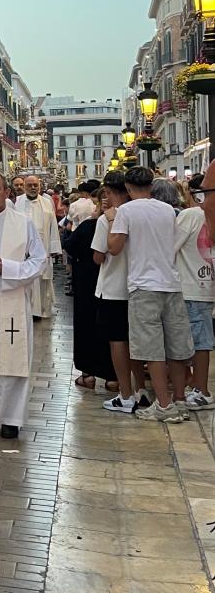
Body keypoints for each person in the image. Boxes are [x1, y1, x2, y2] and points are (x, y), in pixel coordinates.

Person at [106, 166, 192, 424]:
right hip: (171, 284)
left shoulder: (126, 211)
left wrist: (112, 220)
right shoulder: (167, 210)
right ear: (151, 186)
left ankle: (163, 406)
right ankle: (178, 400)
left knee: (152, 348)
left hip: (144, 286)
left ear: (129, 189)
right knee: (175, 346)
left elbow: (114, 248)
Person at [0, 172, 47, 439]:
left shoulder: (23, 223)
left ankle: (10, 418)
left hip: (11, 300)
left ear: (6, 192)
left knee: (11, 360)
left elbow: (39, 261)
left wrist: (8, 269)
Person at [92, 173, 150, 416]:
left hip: (114, 287)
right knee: (136, 341)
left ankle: (125, 394)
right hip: (140, 285)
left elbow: (98, 255)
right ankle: (141, 389)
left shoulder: (109, 219)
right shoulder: (145, 214)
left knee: (118, 341)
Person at [64, 191, 115, 391]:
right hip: (112, 284)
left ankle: (88, 374)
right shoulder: (121, 225)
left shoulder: (88, 226)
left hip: (86, 282)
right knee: (111, 329)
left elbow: (69, 245)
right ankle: (113, 377)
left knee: (86, 326)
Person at [174, 181, 215, 410]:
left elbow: (170, 246)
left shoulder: (190, 216)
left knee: (199, 343)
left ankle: (202, 390)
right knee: (201, 340)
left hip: (190, 284)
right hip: (205, 283)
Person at [15, 175, 62, 319]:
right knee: (26, 279)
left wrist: (54, 247)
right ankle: (27, 309)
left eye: (36, 185)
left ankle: (40, 310)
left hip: (43, 246)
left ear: (40, 186)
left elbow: (53, 224)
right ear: (24, 186)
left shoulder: (47, 203)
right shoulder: (17, 202)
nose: (33, 188)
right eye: (29, 185)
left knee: (41, 280)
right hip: (23, 248)